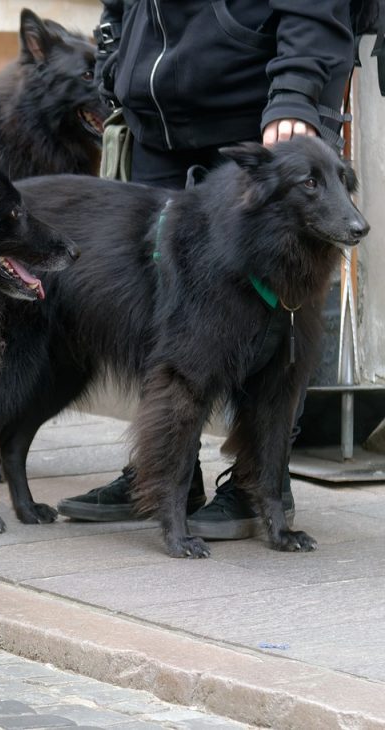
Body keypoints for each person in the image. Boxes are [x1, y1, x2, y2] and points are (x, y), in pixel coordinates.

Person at [57, 0, 382, 538]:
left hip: (265, 103)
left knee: (275, 334)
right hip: (159, 115)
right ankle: (170, 482)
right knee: (169, 339)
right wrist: (116, 48)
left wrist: (297, 88)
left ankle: (258, 488)